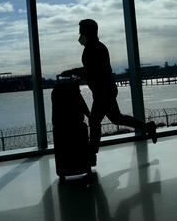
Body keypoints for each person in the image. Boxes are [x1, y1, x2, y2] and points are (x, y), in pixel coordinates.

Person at [62, 19, 157, 153]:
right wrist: (78, 73)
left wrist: (73, 72)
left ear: (88, 32)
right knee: (117, 118)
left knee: (94, 120)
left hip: (104, 92)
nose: (79, 36)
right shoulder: (92, 48)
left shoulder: (96, 49)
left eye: (81, 32)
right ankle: (148, 127)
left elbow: (92, 70)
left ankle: (92, 151)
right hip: (104, 90)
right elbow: (90, 70)